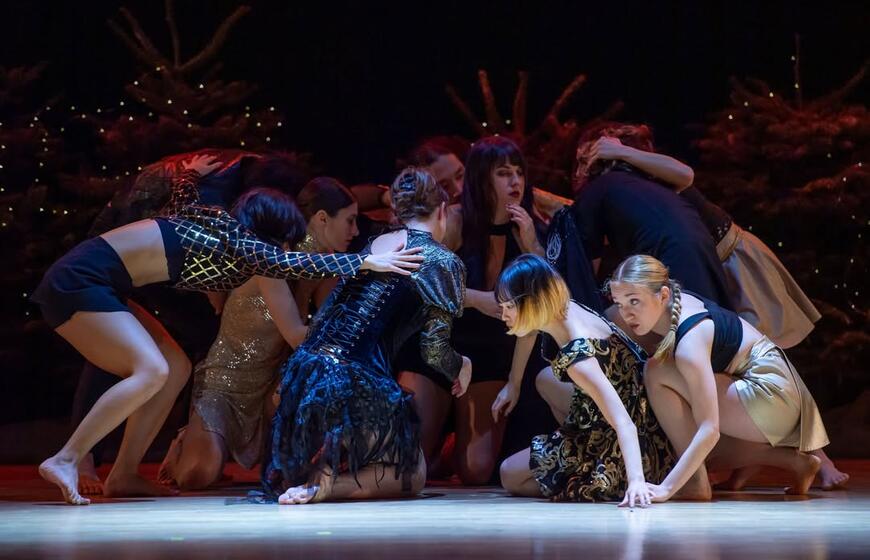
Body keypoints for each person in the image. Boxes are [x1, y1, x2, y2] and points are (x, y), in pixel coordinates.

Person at [31, 154, 421, 505]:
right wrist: (366, 263)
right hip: (79, 282)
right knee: (151, 369)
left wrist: (190, 176)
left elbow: (179, 204)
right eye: (283, 240)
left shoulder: (211, 218)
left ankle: (124, 474)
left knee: (175, 368)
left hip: (105, 285)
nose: (286, 247)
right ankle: (67, 458)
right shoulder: (238, 241)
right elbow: (289, 265)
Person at [262, 167, 471, 505]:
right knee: (413, 474)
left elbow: (329, 317)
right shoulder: (441, 260)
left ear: (397, 212)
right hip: (353, 381)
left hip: (307, 375)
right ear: (443, 211)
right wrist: (460, 365)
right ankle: (325, 485)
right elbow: (434, 349)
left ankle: (319, 470)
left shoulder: (375, 244)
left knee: (376, 448)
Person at [607, 255, 831, 500]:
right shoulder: (676, 302)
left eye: (634, 301)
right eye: (620, 303)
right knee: (697, 440)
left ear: (662, 295)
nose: (627, 314)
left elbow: (709, 430)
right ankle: (797, 462)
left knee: (657, 371)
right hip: (779, 392)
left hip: (773, 396)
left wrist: (666, 488)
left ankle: (695, 484)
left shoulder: (689, 343)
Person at [157, 192, 311, 490]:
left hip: (264, 389)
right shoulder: (264, 268)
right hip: (224, 387)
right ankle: (185, 439)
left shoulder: (274, 264)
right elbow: (295, 335)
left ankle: (214, 444)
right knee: (195, 476)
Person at [496, 255, 674, 505]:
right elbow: (527, 332)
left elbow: (624, 423)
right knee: (545, 379)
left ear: (533, 303)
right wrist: (513, 384)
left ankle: (593, 472)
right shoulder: (564, 306)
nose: (503, 315)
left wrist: (636, 481)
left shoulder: (579, 360)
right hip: (636, 413)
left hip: (629, 442)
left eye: (509, 307)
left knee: (509, 475)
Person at [571, 123, 734, 309]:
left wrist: (620, 151)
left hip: (730, 253)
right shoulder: (634, 186)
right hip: (705, 256)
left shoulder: (637, 179)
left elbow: (687, 174)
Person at [292, 177, 360, 318]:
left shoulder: (326, 254)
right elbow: (294, 325)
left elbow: (331, 313)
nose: (356, 231)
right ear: (322, 218)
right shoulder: (293, 256)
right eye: (350, 221)